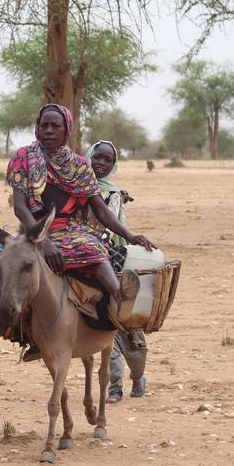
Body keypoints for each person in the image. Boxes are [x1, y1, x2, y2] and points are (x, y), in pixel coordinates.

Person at [0, 104, 154, 372]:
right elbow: (20, 207)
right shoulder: (23, 158)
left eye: (56, 126)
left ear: (68, 130)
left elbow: (100, 209)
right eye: (45, 125)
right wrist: (42, 240)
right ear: (37, 128)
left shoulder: (80, 166)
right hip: (32, 231)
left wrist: (130, 235)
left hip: (74, 231)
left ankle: (125, 319)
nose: (49, 131)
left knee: (96, 254)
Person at [86, 140, 147, 402]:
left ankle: (137, 376)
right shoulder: (78, 185)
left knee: (125, 322)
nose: (100, 163)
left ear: (113, 165)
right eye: (96, 157)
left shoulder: (112, 194)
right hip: (83, 253)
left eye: (107, 160)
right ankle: (114, 386)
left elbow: (108, 227)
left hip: (110, 256)